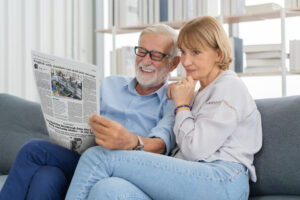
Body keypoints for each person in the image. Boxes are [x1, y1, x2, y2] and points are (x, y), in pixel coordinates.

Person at [65, 16, 262, 200]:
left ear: (218, 53)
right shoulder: (199, 91)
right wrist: (183, 100)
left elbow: (195, 150)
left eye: (196, 52)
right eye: (184, 52)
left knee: (98, 157)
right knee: (108, 189)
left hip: (222, 180)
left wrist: (182, 105)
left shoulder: (229, 86)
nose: (186, 61)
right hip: (190, 179)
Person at [0, 24, 180, 200]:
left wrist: (131, 141)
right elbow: (84, 117)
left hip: (122, 170)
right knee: (47, 177)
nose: (145, 61)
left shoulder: (172, 98)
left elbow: (161, 144)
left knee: (33, 149)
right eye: (141, 52)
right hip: (86, 159)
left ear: (173, 64)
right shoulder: (111, 84)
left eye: (155, 55)